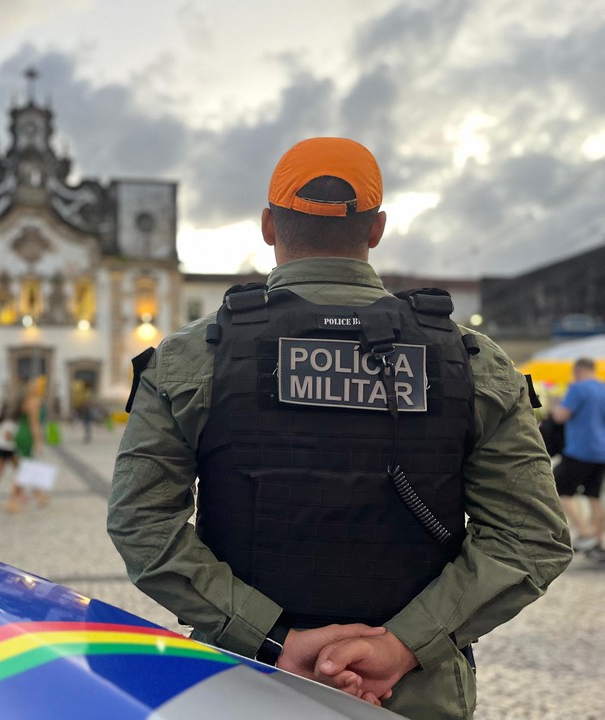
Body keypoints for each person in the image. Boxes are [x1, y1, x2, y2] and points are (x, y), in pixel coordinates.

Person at [107, 137, 572, 719]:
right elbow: (533, 538)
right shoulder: (473, 362)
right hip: (413, 695)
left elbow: (140, 522)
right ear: (376, 230)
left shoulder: (191, 359)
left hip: (246, 688)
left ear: (268, 226)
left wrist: (272, 640)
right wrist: (403, 646)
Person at [551, 357, 605, 557]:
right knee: (593, 495)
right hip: (601, 451)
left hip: (580, 449)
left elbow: (560, 416)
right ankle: (599, 540)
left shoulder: (577, 389)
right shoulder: (603, 388)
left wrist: (557, 405)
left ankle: (585, 532)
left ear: (578, 370)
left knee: (559, 488)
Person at [7, 377, 49, 512]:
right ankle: (12, 501)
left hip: (21, 433)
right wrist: (39, 441)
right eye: (35, 386)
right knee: (24, 470)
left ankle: (39, 494)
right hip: (27, 436)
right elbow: (34, 424)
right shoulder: (34, 402)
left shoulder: (26, 401)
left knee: (27, 466)